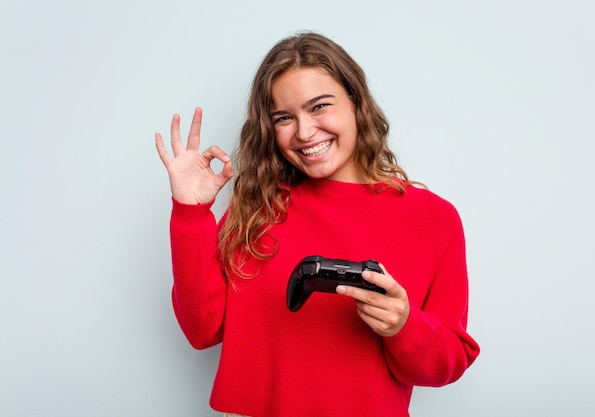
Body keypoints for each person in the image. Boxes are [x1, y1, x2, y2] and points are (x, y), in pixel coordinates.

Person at [155, 32, 479, 417]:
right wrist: (190, 213)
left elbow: (449, 362)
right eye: (284, 118)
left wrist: (404, 325)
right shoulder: (260, 207)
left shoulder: (433, 219)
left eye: (319, 106)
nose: (305, 132)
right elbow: (201, 330)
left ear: (356, 102)